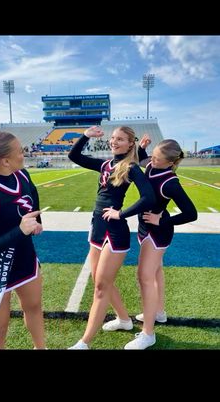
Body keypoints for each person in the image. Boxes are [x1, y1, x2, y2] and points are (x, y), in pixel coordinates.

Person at [67, 126, 156, 349]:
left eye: (120, 139)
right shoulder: (105, 164)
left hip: (114, 232)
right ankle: (124, 320)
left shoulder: (132, 167)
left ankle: (84, 342)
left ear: (130, 144)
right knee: (99, 279)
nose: (114, 142)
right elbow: (74, 156)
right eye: (113, 138)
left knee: (100, 287)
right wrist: (86, 136)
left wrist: (121, 213)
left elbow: (149, 197)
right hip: (96, 226)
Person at [122, 135, 198, 349]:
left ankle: (148, 333)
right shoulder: (152, 167)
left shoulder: (171, 182)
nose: (151, 160)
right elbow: (145, 162)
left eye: (156, 158)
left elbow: (191, 213)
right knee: (156, 272)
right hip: (145, 229)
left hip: (157, 233)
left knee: (144, 276)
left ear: (170, 163)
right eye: (152, 156)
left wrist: (162, 219)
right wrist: (142, 148)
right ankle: (159, 313)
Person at [0, 130, 46, 349]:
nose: (25, 154)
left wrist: (38, 220)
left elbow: (33, 195)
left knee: (35, 307)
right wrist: (19, 231)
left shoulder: (23, 175)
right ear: (5, 161)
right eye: (20, 151)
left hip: (25, 258)